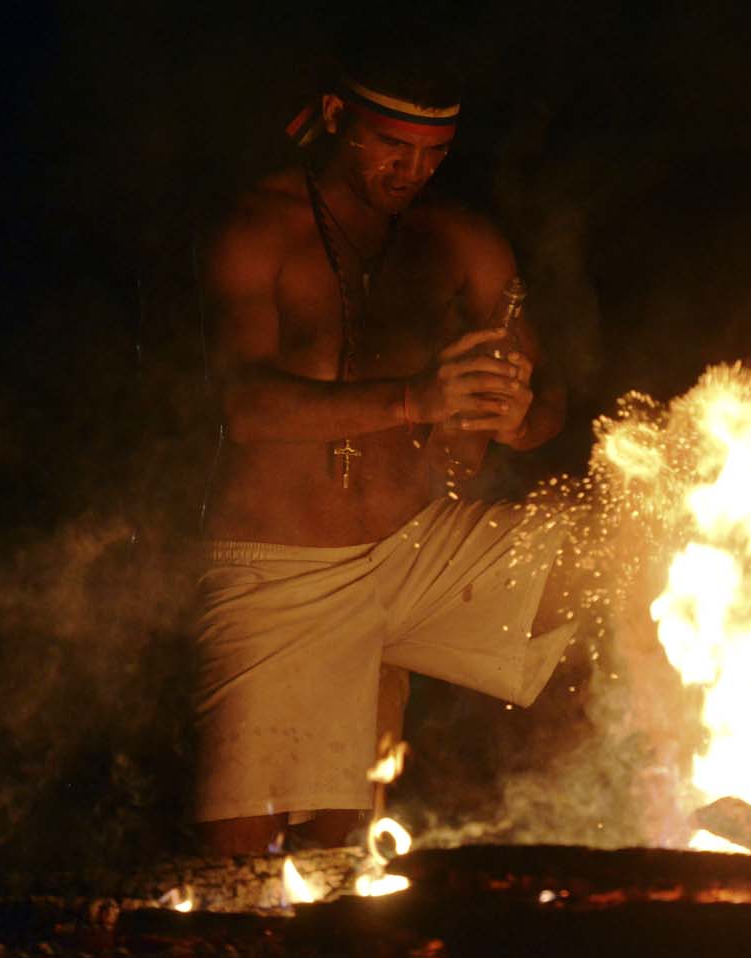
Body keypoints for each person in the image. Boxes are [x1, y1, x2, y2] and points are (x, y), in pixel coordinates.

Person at [192, 38, 575, 854]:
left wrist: (517, 418)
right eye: (393, 148)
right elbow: (246, 409)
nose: (413, 172)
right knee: (260, 872)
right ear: (335, 117)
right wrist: (414, 400)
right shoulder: (259, 230)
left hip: (415, 553)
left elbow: (549, 400)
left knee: (623, 556)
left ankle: (626, 797)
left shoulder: (462, 241)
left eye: (433, 155)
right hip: (280, 571)